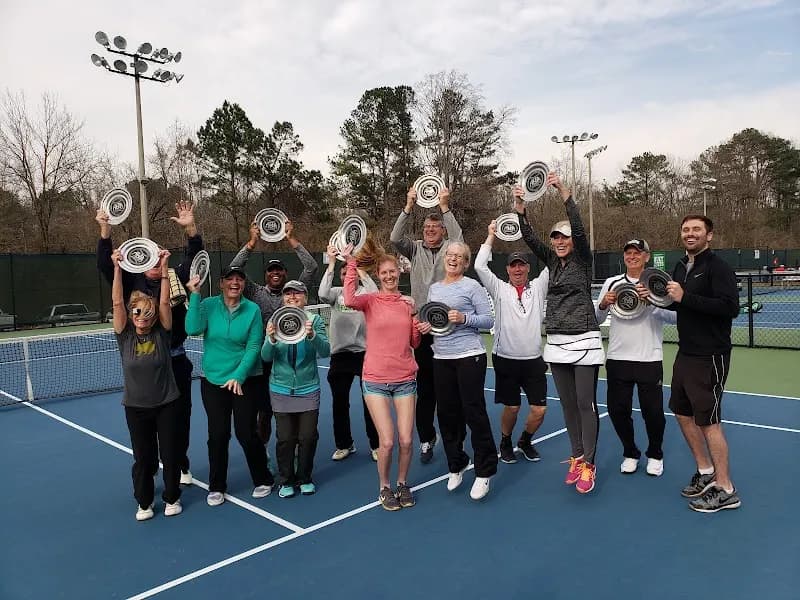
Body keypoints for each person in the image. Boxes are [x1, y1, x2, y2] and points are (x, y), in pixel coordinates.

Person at [97, 201, 201, 486]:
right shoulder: (132, 282)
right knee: (146, 427)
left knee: (180, 419)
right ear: (143, 258)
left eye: (159, 259)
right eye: (151, 259)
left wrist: (190, 227)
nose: (156, 264)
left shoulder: (175, 277)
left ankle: (179, 462)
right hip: (146, 363)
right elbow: (107, 267)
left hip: (176, 361)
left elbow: (195, 256)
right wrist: (105, 233)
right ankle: (150, 468)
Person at [513, 173, 605, 494]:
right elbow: (529, 240)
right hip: (557, 342)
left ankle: (590, 464)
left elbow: (578, 227)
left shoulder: (582, 259)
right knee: (567, 405)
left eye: (564, 237)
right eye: (556, 238)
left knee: (584, 403)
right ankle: (577, 456)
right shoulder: (551, 260)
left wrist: (566, 195)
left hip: (585, 340)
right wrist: (521, 210)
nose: (560, 241)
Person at [664, 215, 741, 512]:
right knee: (682, 414)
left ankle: (726, 489)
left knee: (710, 423)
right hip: (686, 354)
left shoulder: (718, 267)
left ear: (709, 235)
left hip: (711, 355)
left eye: (697, 229)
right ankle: (706, 471)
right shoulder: (681, 265)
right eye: (686, 229)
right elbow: (676, 302)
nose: (690, 233)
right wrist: (654, 297)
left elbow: (729, 308)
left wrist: (686, 297)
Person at [184, 266, 274, 506]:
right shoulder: (208, 305)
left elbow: (254, 346)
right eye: (230, 279)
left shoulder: (252, 309)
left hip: (245, 381)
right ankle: (216, 486)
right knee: (218, 435)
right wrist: (194, 295)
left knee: (246, 433)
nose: (235, 283)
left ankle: (264, 478)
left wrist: (239, 376)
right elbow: (192, 329)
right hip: (213, 380)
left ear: (244, 284)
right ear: (222, 283)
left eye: (240, 279)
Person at [342, 243, 421, 511]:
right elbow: (350, 299)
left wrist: (417, 324)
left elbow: (414, 342)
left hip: (405, 379)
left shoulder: (407, 304)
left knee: (407, 440)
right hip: (375, 379)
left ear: (399, 273)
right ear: (378, 275)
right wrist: (351, 263)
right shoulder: (370, 301)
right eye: (384, 272)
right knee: (386, 441)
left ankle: (402, 483)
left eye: (393, 272)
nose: (389, 276)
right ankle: (385, 486)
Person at [228, 219, 319, 450]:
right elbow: (234, 268)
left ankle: (294, 450)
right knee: (264, 412)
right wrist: (251, 242)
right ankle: (265, 454)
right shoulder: (255, 292)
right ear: (266, 274)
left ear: (285, 273)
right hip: (263, 359)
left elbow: (311, 267)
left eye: (279, 270)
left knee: (291, 411)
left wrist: (291, 238)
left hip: (290, 360)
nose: (275, 273)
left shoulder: (294, 292)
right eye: (271, 270)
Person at [418, 241, 496, 501]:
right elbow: (432, 320)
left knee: (474, 414)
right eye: (450, 255)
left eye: (459, 256)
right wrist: (426, 328)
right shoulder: (434, 289)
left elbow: (488, 320)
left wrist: (464, 318)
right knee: (447, 415)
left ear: (465, 262)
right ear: (444, 259)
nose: (453, 259)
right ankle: (457, 462)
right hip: (441, 357)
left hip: (469, 356)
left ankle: (484, 472)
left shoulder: (472, 286)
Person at [391, 186, 463, 464]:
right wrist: (408, 205)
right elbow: (395, 237)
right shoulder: (414, 249)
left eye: (436, 226)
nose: (430, 229)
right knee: (425, 390)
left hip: (449, 331)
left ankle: (454, 438)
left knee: (450, 390)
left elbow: (459, 237)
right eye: (426, 226)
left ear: (443, 230)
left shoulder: (450, 249)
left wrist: (445, 207)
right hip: (422, 330)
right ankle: (426, 438)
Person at [111, 247, 182, 521]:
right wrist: (117, 268)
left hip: (166, 403)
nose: (142, 316)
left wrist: (164, 268)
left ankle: (172, 497)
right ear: (132, 314)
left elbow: (165, 303)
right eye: (137, 312)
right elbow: (118, 303)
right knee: (144, 458)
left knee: (170, 453)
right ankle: (144, 501)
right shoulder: (124, 335)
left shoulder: (162, 333)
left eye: (146, 312)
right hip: (136, 407)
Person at [595, 239, 677, 476]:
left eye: (637, 253)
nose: (632, 257)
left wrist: (650, 302)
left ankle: (655, 454)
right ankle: (630, 452)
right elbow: (597, 319)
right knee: (617, 410)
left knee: (653, 411)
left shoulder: (659, 283)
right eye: (628, 253)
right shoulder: (612, 283)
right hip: (618, 357)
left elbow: (674, 318)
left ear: (646, 257)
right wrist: (602, 304)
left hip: (649, 358)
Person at [474, 222, 549, 464]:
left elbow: (553, 262)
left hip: (534, 361)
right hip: (505, 359)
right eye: (513, 265)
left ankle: (525, 440)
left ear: (528, 268)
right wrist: (490, 236)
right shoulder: (499, 289)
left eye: (521, 265)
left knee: (539, 410)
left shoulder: (538, 287)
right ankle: (505, 440)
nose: (517, 269)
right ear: (507, 269)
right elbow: (478, 265)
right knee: (513, 408)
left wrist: (528, 231)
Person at [261, 280, 330, 498]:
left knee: (307, 437)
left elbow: (326, 350)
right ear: (283, 298)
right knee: (285, 438)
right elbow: (265, 356)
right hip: (280, 389)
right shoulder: (275, 320)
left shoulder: (315, 320)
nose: (292, 297)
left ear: (305, 297)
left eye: (297, 293)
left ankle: (305, 477)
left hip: (308, 389)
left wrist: (312, 335)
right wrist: (270, 339)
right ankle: (286, 480)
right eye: (288, 293)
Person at [318, 245, 379, 462]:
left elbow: (376, 293)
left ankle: (376, 445)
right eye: (344, 273)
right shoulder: (335, 294)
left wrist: (357, 265)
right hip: (340, 355)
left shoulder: (364, 295)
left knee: (370, 402)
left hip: (365, 354)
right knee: (339, 402)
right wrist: (333, 263)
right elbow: (322, 293)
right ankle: (344, 444)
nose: (347, 276)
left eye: (349, 272)